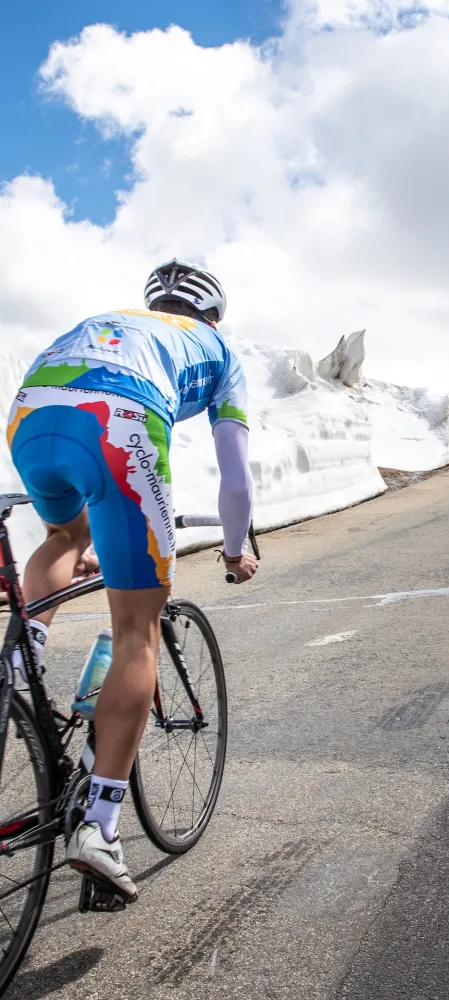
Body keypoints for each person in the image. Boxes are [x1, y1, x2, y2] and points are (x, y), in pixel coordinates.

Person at [6, 259, 257, 902]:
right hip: (120, 424)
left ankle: (19, 663)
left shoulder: (111, 321)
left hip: (31, 414)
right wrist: (235, 552)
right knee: (136, 632)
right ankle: (101, 827)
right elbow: (236, 479)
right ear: (213, 316)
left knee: (66, 536)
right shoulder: (219, 351)